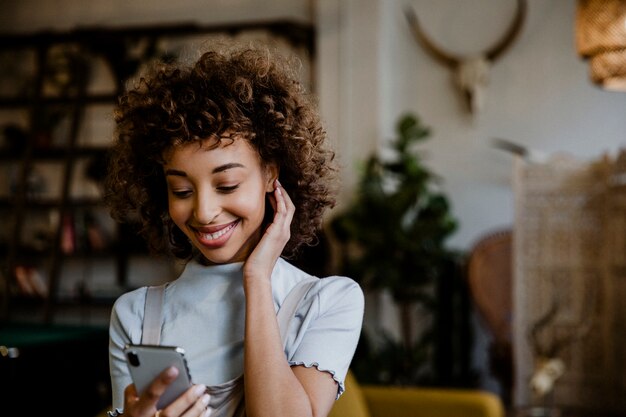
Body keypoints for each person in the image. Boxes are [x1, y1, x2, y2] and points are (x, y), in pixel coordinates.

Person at [103, 42, 364, 417]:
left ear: (270, 173)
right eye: (182, 190)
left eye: (226, 185)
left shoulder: (327, 301)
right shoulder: (135, 314)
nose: (204, 212)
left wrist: (256, 277)